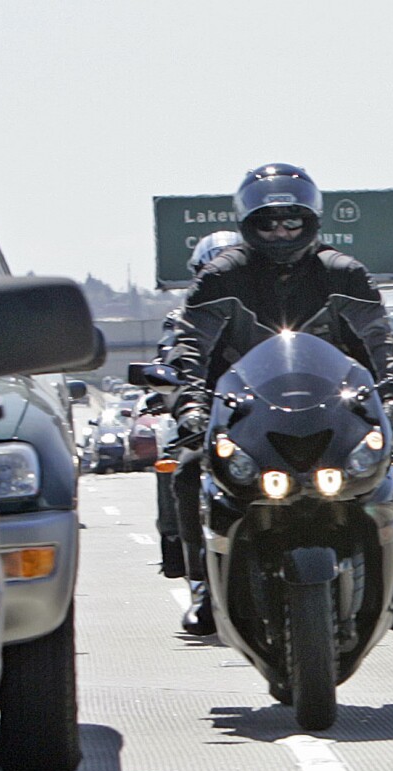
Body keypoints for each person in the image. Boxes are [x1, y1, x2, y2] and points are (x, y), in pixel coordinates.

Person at [167, 163, 393, 637]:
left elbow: (381, 342)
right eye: (268, 222)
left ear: (312, 221)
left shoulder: (344, 274)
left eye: (291, 221)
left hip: (334, 410)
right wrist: (190, 405)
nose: (280, 232)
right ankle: (202, 581)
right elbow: (189, 347)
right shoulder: (221, 277)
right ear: (249, 224)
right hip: (244, 414)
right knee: (186, 469)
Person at [151, 231, 244, 583]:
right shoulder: (183, 318)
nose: (220, 275)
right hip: (208, 415)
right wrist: (180, 401)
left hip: (260, 416)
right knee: (185, 468)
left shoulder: (266, 311)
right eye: (211, 269)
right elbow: (172, 361)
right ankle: (197, 575)